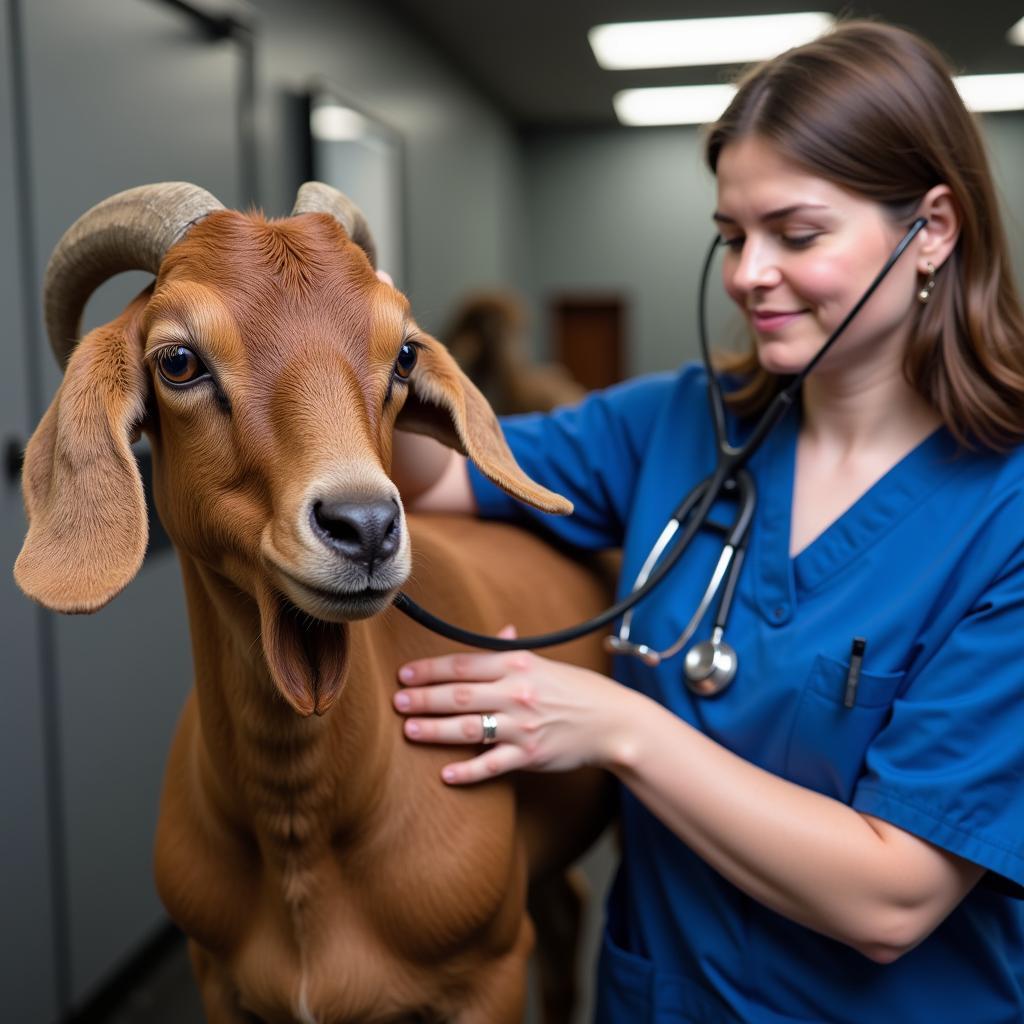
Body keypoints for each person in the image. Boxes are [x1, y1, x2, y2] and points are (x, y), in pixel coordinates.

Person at [389, 21, 1024, 1022]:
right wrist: (370, 347)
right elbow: (427, 481)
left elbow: (893, 895)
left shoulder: (1005, 512)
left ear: (931, 229)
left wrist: (614, 725)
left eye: (795, 234)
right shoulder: (673, 422)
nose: (746, 273)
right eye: (731, 237)